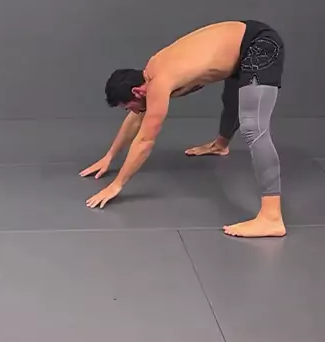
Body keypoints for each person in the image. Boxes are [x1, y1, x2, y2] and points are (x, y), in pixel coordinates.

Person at [80, 20, 285, 238]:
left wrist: (116, 185)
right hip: (240, 48)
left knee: (253, 127)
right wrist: (110, 156)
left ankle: (271, 217)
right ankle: (220, 145)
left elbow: (145, 140)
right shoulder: (152, 71)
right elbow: (136, 118)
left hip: (258, 44)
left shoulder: (159, 82)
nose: (131, 111)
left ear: (137, 92)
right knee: (232, 99)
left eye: (128, 106)